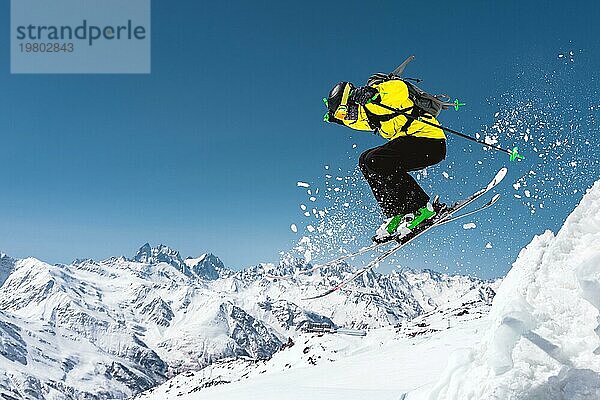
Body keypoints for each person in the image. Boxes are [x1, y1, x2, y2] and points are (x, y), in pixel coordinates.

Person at [324, 77, 447, 241]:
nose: (346, 116)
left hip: (430, 142)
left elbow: (399, 89)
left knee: (376, 160)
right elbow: (358, 121)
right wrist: (338, 119)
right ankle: (396, 212)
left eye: (344, 111)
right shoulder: (366, 115)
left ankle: (422, 208)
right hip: (412, 142)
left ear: (353, 99)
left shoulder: (379, 94)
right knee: (365, 160)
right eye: (342, 115)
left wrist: (374, 93)